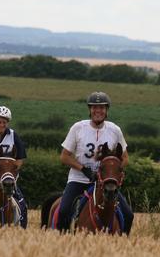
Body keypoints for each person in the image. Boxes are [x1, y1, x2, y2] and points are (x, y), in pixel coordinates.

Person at [57, 91, 134, 235]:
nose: (98, 111)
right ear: (89, 109)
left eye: (102, 108)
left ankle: (124, 247)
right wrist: (83, 169)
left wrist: (114, 173)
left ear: (106, 110)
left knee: (128, 214)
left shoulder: (115, 130)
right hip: (79, 179)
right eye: (94, 107)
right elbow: (64, 157)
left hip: (105, 183)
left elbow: (125, 158)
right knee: (64, 210)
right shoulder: (78, 128)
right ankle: (61, 242)